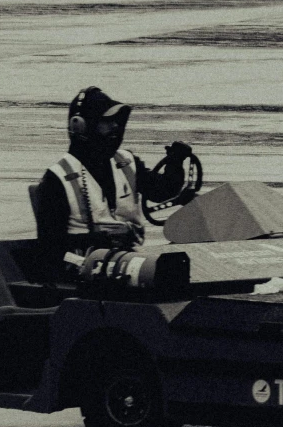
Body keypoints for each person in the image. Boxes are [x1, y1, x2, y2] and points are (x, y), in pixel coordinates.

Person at [32, 86, 201, 284]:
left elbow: (162, 191)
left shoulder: (127, 163)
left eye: (116, 122)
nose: (115, 128)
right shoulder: (57, 178)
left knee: (179, 266)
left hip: (130, 258)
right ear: (81, 126)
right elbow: (49, 249)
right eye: (106, 122)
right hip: (82, 269)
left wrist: (175, 163)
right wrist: (97, 242)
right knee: (162, 275)